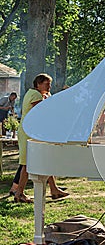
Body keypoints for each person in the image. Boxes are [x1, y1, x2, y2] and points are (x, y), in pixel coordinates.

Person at [14, 74, 69, 203]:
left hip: (32, 132)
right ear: (38, 84)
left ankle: (54, 189)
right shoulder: (36, 95)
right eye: (46, 84)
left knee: (46, 159)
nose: (49, 86)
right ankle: (19, 193)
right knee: (27, 164)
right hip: (29, 134)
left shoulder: (36, 94)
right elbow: (44, 112)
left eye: (49, 84)